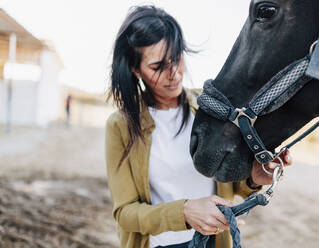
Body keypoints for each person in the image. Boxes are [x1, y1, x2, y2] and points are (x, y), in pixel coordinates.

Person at [105, 5, 292, 248]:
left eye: (177, 58)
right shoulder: (121, 125)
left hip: (215, 242)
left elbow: (232, 183)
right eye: (158, 67)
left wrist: (255, 178)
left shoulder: (210, 107)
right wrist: (184, 212)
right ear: (134, 69)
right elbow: (125, 213)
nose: (174, 73)